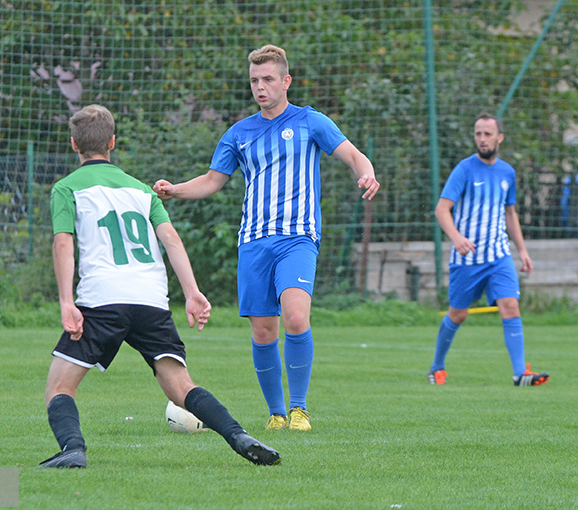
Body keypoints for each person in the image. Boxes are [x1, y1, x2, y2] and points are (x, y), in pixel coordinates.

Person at [39, 104, 281, 469]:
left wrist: (64, 300)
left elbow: (63, 244)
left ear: (74, 145)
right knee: (181, 388)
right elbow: (171, 240)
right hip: (151, 300)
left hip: (103, 299)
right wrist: (193, 293)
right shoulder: (141, 191)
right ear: (113, 142)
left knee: (59, 387)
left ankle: (73, 449)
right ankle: (237, 434)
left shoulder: (67, 188)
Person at [153, 45, 379, 431]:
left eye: (268, 79)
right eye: (255, 80)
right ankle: (276, 414)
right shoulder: (239, 133)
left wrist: (367, 172)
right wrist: (175, 190)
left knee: (295, 316)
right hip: (254, 242)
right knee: (263, 330)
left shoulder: (311, 121)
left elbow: (354, 154)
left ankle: (300, 409)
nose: (261, 87)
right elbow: (212, 181)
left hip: (298, 238)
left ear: (286, 81)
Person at [428, 113, 549, 387]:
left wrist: (523, 251)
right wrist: (457, 237)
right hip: (467, 258)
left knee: (510, 305)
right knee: (458, 314)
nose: (482, 139)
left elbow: (510, 214)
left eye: (487, 134)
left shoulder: (508, 172)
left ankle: (520, 374)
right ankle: (436, 367)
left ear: (499, 138)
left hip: (498, 256)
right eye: (478, 133)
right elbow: (441, 209)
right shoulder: (464, 170)